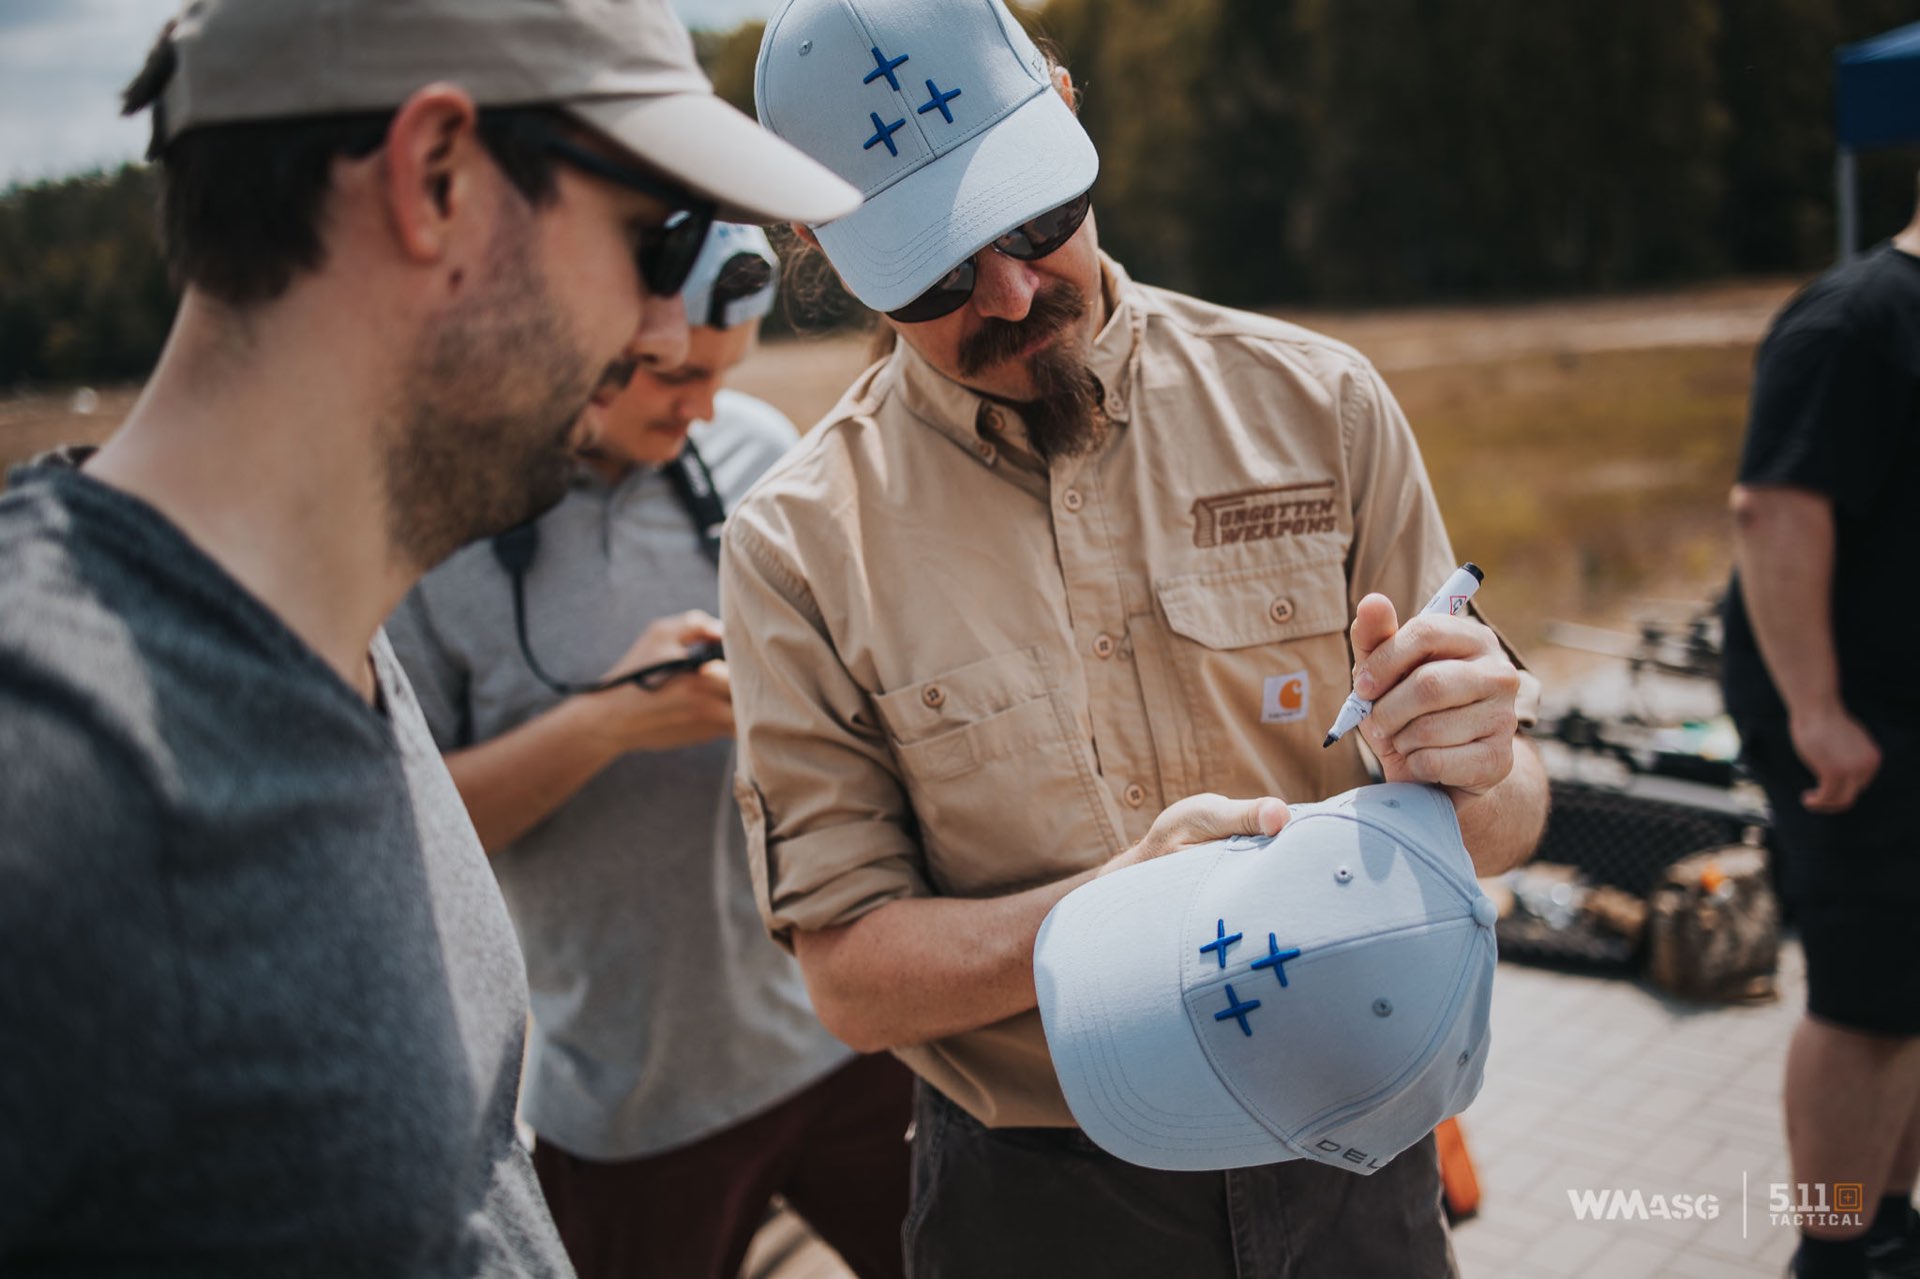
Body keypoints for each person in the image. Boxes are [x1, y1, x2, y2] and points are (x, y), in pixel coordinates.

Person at [0, 0, 858, 1272]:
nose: (667, 335)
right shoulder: (48, 772)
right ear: (438, 181)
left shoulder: (327, 646)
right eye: (647, 237)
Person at [719, 0, 1550, 1274]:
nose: (1008, 290)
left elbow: (1505, 822)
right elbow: (851, 975)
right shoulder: (796, 546)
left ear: (1061, 99)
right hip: (1043, 1204)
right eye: (934, 267)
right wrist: (1113, 920)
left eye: (1035, 219)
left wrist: (1485, 763)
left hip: (1357, 1151)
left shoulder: (1320, 405)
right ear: (812, 239)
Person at [388, 223, 914, 1279]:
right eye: (672, 375)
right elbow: (407, 830)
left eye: (725, 374)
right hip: (630, 1102)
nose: (705, 410)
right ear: (566, 336)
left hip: (847, 1032)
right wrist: (612, 719)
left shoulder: (760, 450)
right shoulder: (431, 527)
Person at [1722, 189, 1920, 1279]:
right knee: (1867, 1001)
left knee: (1906, 999)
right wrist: (1818, 712)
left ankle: (1888, 1223)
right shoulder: (1857, 319)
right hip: (1857, 730)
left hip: (1896, 717)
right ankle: (1839, 1251)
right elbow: (1776, 511)